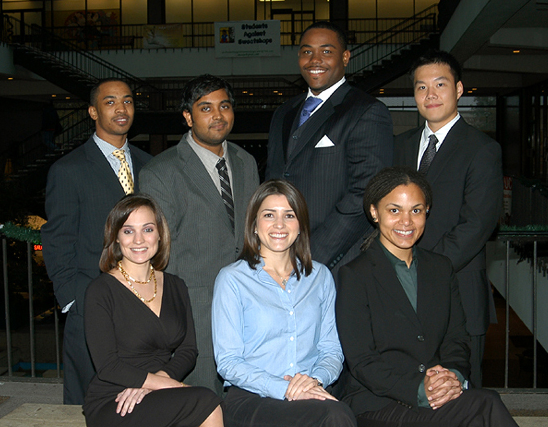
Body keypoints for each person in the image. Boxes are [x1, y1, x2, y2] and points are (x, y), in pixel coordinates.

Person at [335, 166, 518, 427]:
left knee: (481, 406)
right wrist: (421, 390)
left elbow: (456, 339)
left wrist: (451, 377)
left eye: (416, 210)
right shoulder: (354, 275)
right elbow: (362, 361)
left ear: (427, 212)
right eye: (394, 210)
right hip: (378, 402)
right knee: (484, 405)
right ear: (375, 212)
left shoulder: (441, 268)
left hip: (439, 396)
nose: (406, 221)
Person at [140, 74, 259, 394]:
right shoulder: (161, 172)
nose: (217, 115)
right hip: (195, 311)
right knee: (201, 399)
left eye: (224, 106)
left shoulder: (246, 162)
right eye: (205, 108)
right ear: (188, 116)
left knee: (246, 397)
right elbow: (157, 254)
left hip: (249, 306)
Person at [394, 50, 503, 387]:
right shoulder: (399, 147)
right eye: (421, 87)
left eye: (440, 85)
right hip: (403, 299)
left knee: (462, 397)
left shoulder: (481, 148)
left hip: (458, 294)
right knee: (415, 394)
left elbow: (477, 225)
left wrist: (420, 269)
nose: (430, 95)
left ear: (458, 89)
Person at [41, 78, 152, 405]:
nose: (122, 109)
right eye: (110, 102)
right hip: (91, 307)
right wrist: (75, 301)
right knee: (91, 407)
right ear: (92, 111)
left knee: (142, 407)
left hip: (145, 309)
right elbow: (58, 239)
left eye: (128, 101)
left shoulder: (152, 166)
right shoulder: (69, 170)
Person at [212, 180, 356, 427]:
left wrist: (312, 382)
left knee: (336, 414)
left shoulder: (320, 277)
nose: (279, 225)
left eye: (289, 215)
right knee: (335, 416)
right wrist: (287, 388)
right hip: (252, 397)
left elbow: (331, 350)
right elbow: (228, 362)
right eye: (269, 215)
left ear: (300, 226)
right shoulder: (232, 279)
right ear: (254, 225)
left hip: (310, 394)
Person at [266, 21, 393, 277]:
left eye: (326, 51)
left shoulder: (365, 111)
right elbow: (274, 181)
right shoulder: (284, 113)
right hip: (281, 257)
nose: (315, 60)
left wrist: (310, 255)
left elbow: (365, 194)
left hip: (339, 262)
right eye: (306, 51)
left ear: (345, 57)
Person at [84, 194, 223, 427]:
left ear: (160, 234)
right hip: (115, 399)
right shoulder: (100, 290)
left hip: (159, 390)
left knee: (206, 404)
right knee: (207, 402)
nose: (139, 240)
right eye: (128, 231)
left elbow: (188, 351)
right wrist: (164, 386)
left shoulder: (176, 285)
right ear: (116, 237)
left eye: (147, 229)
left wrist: (157, 383)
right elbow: (108, 366)